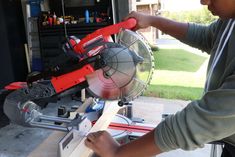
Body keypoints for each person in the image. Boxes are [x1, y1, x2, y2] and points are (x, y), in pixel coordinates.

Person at [84, 0, 235, 157]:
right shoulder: (229, 20)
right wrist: (152, 20)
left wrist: (117, 152)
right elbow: (206, 37)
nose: (203, 1)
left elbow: (203, 121)